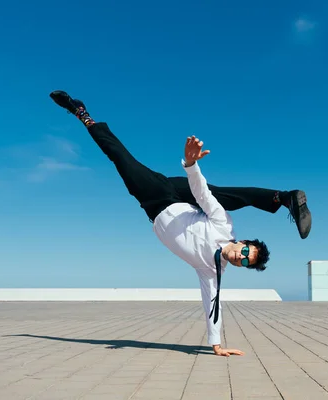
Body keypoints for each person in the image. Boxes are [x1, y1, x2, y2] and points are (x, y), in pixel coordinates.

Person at [49, 90, 312, 357]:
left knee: (123, 163)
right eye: (245, 252)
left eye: (245, 262)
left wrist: (216, 346)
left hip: (153, 203)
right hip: (175, 193)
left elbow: (212, 303)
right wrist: (190, 164)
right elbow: (202, 194)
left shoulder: (213, 270)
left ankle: (283, 198)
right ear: (242, 242)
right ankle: (82, 113)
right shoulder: (224, 226)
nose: (240, 257)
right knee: (215, 195)